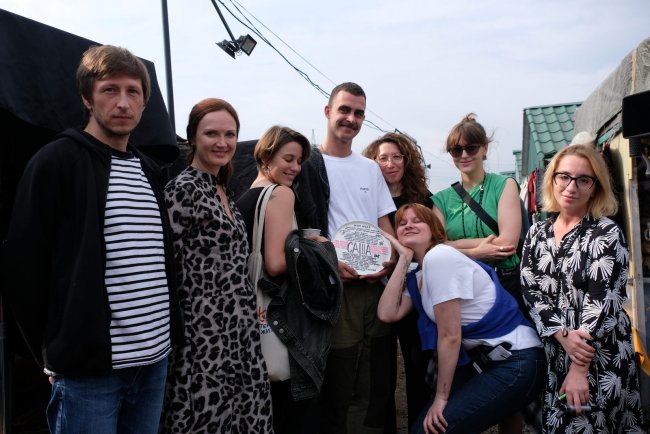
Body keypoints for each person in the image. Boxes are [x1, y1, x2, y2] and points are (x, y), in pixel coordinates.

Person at [3, 45, 182, 433]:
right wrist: (54, 352)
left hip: (155, 362)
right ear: (87, 97)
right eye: (109, 90)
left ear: (145, 102)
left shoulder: (151, 171)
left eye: (133, 91)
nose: (123, 102)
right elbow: (22, 267)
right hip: (89, 373)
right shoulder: (56, 161)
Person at [377, 204, 545, 434]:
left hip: (515, 360)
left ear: (434, 229)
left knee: (428, 430)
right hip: (486, 360)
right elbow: (387, 313)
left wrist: (441, 398)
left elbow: (451, 336)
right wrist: (404, 259)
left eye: (417, 220)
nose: (408, 225)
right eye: (402, 223)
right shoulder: (419, 273)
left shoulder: (439, 257)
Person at [161, 98, 273, 433]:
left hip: (240, 329)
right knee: (205, 419)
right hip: (201, 334)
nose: (222, 142)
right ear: (192, 137)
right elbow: (166, 267)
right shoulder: (182, 190)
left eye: (230, 134)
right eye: (212, 133)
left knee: (245, 417)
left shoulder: (223, 189)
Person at [520, 144, 644, 433]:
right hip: (556, 350)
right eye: (564, 176)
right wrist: (561, 335)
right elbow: (530, 289)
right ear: (552, 179)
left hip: (598, 355)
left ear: (595, 187)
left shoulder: (606, 232)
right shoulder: (537, 232)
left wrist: (579, 369)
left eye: (583, 179)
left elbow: (602, 304)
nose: (571, 186)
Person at [237, 125, 342, 434]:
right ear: (265, 157)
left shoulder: (248, 194)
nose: (295, 168)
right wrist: (318, 249)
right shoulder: (281, 194)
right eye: (288, 159)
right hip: (277, 312)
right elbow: (276, 263)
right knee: (290, 413)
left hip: (248, 314)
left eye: (299, 161)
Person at [308, 82, 396, 434]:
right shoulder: (307, 163)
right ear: (328, 111)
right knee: (339, 375)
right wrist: (328, 263)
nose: (351, 118)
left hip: (374, 287)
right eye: (344, 110)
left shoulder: (370, 169)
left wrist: (389, 261)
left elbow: (384, 226)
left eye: (359, 113)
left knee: (373, 375)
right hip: (335, 289)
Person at [362, 133, 432, 432]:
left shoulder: (423, 199)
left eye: (396, 157)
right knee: (382, 370)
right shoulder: (367, 200)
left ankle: (420, 425)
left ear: (407, 160)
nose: (390, 164)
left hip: (416, 291)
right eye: (382, 158)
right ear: (373, 163)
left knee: (418, 365)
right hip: (378, 289)